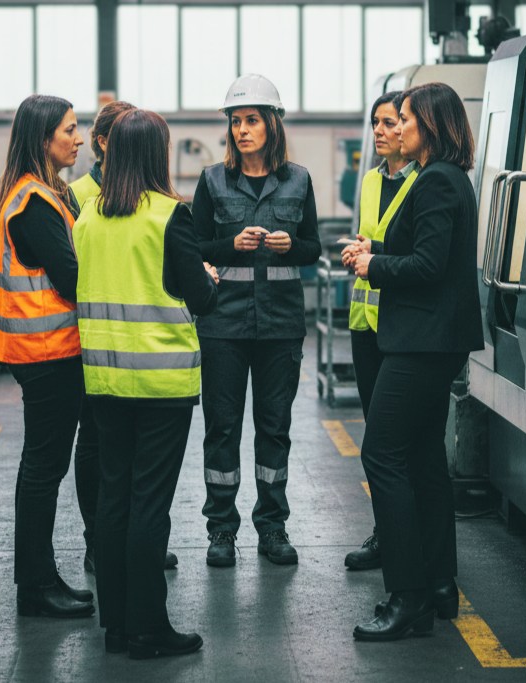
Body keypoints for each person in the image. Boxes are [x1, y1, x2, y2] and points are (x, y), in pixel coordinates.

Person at [73, 108, 217, 659]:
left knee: (113, 500)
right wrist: (207, 277)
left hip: (104, 380)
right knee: (149, 505)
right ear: (157, 154)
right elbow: (199, 298)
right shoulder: (168, 216)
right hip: (161, 385)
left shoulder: (87, 217)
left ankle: (116, 627)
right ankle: (148, 629)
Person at [346, 82, 483, 641]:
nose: (397, 127)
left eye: (404, 119)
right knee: (424, 457)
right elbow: (429, 255)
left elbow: (427, 265)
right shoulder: (443, 180)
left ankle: (407, 598)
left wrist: (370, 267)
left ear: (430, 123)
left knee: (381, 454)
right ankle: (439, 583)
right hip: (431, 338)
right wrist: (376, 252)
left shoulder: (435, 183)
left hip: (422, 341)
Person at [192, 74, 321, 567]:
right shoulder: (211, 181)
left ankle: (273, 527)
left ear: (271, 124)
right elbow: (196, 247)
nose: (241, 130)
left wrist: (295, 246)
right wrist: (230, 246)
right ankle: (221, 530)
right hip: (223, 327)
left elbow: (311, 247)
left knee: (274, 428)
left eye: (250, 120)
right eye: (235, 121)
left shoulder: (299, 180)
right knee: (222, 429)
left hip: (280, 326)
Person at [0, 94, 94, 618]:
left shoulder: (43, 194)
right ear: (42, 138)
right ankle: (35, 586)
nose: (78, 139)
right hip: (47, 352)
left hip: (44, 351)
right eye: (70, 130)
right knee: (43, 469)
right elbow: (71, 277)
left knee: (40, 467)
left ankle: (42, 576)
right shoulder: (34, 203)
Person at [68, 100, 179, 575]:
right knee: (108, 462)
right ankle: (105, 546)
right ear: (105, 143)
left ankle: (122, 565)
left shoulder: (99, 208)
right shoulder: (79, 198)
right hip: (116, 355)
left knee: (123, 480)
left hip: (112, 357)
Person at [342, 91, 419, 572]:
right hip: (365, 320)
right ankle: (384, 532)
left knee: (396, 442)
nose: (380, 132)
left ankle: (405, 539)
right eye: (376, 123)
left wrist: (376, 252)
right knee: (377, 434)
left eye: (390, 122)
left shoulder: (424, 182)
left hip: (405, 326)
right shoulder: (371, 180)